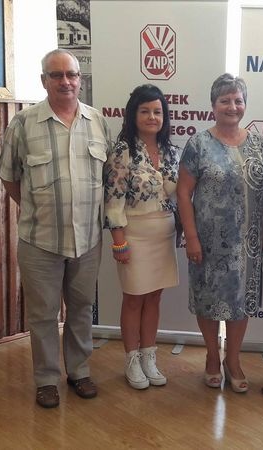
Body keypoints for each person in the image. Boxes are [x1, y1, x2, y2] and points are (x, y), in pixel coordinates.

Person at [0, 48, 112, 408]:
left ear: (80, 79)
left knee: (81, 308)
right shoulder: (23, 124)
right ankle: (46, 379)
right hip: (40, 241)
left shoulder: (97, 122)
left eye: (71, 75)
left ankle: (79, 371)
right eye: (57, 75)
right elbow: (10, 177)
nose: (66, 81)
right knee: (43, 315)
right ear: (43, 80)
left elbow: (107, 176)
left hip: (87, 239)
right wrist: (39, 209)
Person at [177, 73, 263, 393]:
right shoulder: (198, 144)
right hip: (208, 242)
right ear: (213, 105)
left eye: (238, 100)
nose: (232, 106)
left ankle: (233, 360)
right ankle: (211, 356)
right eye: (225, 100)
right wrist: (191, 237)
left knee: (241, 301)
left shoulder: (258, 143)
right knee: (209, 301)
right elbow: (183, 193)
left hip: (248, 244)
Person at [104, 84, 180, 390]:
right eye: (145, 111)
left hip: (164, 235)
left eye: (157, 112)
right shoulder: (123, 151)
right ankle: (132, 359)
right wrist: (119, 241)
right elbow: (113, 200)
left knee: (154, 297)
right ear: (133, 114)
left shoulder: (171, 151)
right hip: (134, 236)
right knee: (134, 299)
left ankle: (149, 356)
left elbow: (176, 194)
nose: (152, 117)